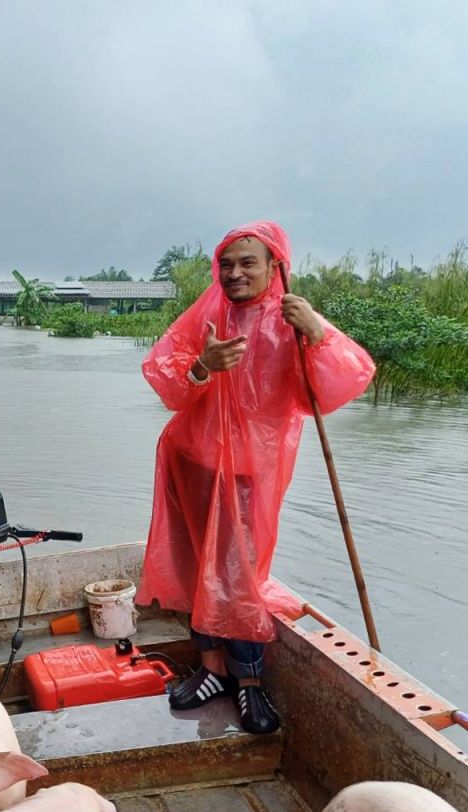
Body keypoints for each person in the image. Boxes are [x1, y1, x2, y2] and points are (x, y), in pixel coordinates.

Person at [138, 220, 375, 735]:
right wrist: (203, 365)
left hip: (248, 472)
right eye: (226, 263)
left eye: (248, 262)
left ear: (275, 267)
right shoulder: (209, 312)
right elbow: (164, 376)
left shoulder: (291, 318)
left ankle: (248, 682)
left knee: (238, 573)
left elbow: (344, 380)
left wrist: (317, 333)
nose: (234, 273)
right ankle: (212, 669)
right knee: (196, 561)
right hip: (191, 461)